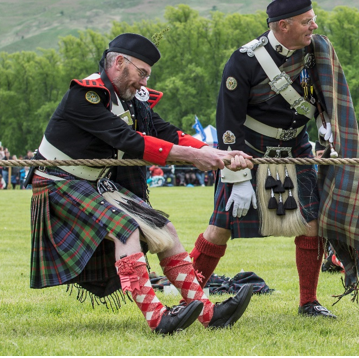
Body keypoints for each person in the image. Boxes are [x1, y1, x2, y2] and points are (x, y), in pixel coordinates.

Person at [29, 33, 253, 334]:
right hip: (59, 182)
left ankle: (208, 312)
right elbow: (128, 140)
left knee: (165, 230)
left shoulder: (131, 102)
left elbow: (166, 133)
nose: (144, 82)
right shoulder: (85, 95)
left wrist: (214, 153)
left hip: (94, 183)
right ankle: (158, 318)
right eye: (142, 73)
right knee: (126, 228)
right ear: (120, 63)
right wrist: (191, 155)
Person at [189, 0, 359, 319]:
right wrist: (238, 176)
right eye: (306, 22)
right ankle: (188, 296)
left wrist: (325, 122)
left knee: (311, 224)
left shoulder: (316, 51)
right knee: (220, 228)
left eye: (312, 20)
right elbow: (228, 124)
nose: (313, 27)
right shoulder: (243, 61)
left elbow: (325, 92)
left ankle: (308, 302)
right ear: (283, 25)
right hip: (249, 152)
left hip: (296, 149)